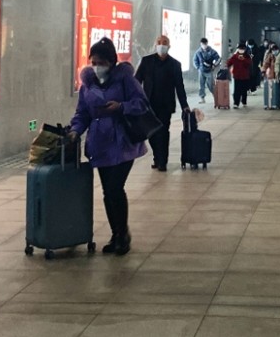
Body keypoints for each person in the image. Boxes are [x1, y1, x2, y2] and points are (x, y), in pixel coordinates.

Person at [68, 38, 148, 255]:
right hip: (100, 144)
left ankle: (123, 234)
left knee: (115, 188)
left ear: (112, 62)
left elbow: (142, 103)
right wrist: (75, 130)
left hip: (123, 143)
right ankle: (116, 234)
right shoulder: (87, 84)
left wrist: (121, 107)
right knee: (107, 191)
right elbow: (82, 113)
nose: (97, 67)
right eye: (93, 62)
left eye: (101, 63)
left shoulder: (125, 79)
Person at [135, 35, 190, 172]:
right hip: (148, 105)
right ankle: (157, 157)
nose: (161, 45)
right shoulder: (146, 61)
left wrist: (184, 105)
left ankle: (162, 161)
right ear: (155, 45)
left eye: (164, 43)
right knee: (151, 133)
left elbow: (179, 87)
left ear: (169, 46)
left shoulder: (175, 64)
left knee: (163, 132)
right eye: (159, 42)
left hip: (166, 105)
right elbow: (136, 81)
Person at [193, 38, 221, 104]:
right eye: (202, 44)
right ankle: (202, 98)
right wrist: (198, 67)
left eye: (205, 44)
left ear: (207, 44)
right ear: (201, 44)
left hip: (209, 70)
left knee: (211, 85)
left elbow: (218, 58)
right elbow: (195, 60)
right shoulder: (198, 52)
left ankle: (216, 97)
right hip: (201, 71)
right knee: (201, 85)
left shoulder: (212, 51)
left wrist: (214, 65)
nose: (204, 45)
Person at [226, 43, 252, 109]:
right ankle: (236, 103)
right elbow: (229, 63)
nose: (241, 50)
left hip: (245, 76)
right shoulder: (235, 56)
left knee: (244, 90)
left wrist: (243, 59)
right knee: (237, 90)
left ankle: (244, 101)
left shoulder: (247, 56)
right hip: (237, 76)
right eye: (240, 49)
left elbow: (249, 64)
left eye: (242, 49)